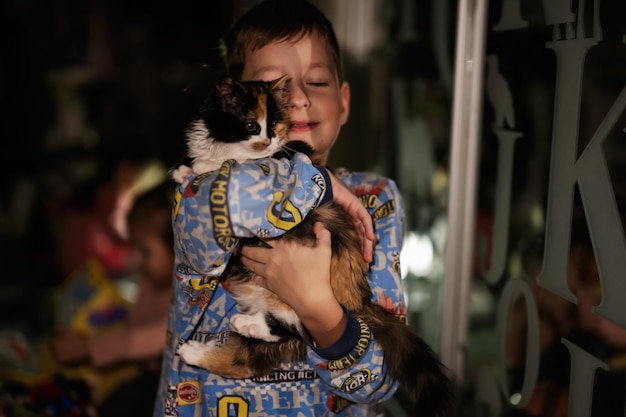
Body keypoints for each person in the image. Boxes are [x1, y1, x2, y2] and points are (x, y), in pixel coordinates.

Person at [154, 1, 407, 416]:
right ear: (235, 104)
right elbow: (231, 204)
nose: (298, 99)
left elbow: (381, 383)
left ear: (344, 102)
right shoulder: (200, 188)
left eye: (318, 81)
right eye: (275, 86)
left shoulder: (374, 197)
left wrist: (318, 309)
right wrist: (317, 183)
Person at [52, 181, 176, 417]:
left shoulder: (195, 292)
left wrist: (94, 346)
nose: (136, 259)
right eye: (134, 247)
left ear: (181, 247)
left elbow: (165, 334)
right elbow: (135, 326)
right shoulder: (151, 281)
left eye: (145, 251)